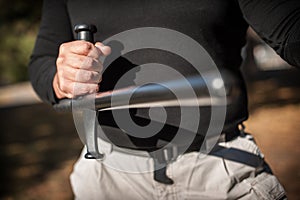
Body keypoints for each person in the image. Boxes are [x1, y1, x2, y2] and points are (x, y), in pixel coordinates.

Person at [29, 0, 299, 199]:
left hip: (218, 168)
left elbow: (290, 31)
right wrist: (60, 78)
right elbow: (41, 61)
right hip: (107, 176)